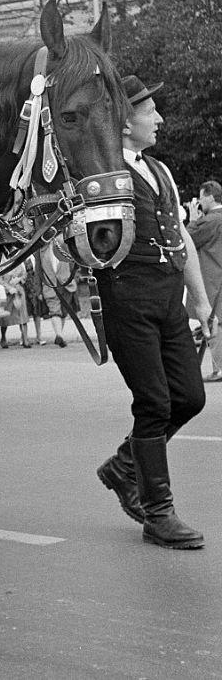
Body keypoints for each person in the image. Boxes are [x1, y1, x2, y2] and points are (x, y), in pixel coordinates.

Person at [95, 75, 214, 550]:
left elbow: (182, 237)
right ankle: (157, 513)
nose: (160, 119)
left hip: (167, 300)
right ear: (126, 122)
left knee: (189, 398)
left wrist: (200, 299)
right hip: (127, 300)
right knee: (155, 404)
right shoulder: (103, 172)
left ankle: (125, 465)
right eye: (151, 112)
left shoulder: (159, 171)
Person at [185, 180, 222, 382]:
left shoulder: (210, 220)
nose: (199, 203)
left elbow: (187, 240)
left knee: (216, 324)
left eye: (200, 198)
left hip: (214, 278)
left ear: (209, 196)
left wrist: (192, 219)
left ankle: (219, 369)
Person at [39, 244, 78, 348]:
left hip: (66, 284)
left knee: (64, 311)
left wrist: (74, 280)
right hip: (50, 285)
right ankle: (59, 335)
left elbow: (74, 265)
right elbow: (38, 272)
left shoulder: (64, 247)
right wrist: (38, 291)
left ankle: (59, 334)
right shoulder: (41, 251)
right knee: (54, 311)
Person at [0, 261, 31, 348]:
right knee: (5, 318)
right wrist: (8, 287)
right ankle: (3, 338)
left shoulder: (17, 262)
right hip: (7, 293)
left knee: (23, 316)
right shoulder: (1, 264)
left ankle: (25, 339)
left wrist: (19, 279)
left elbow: (24, 274)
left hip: (19, 292)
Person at [24, 255, 47, 345]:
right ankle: (24, 338)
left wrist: (39, 291)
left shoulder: (36, 258)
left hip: (34, 288)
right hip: (24, 288)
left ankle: (39, 336)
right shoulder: (20, 257)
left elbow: (40, 274)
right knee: (24, 315)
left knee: (37, 313)